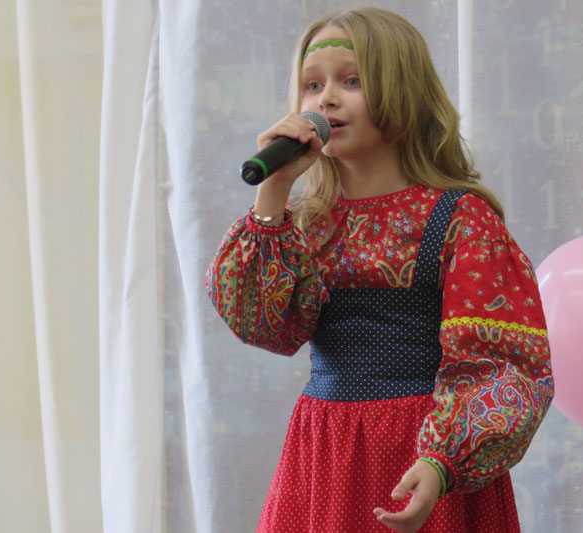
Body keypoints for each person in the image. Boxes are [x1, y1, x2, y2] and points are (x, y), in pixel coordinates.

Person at [206, 7, 554, 533]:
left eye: (351, 81)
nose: (325, 99)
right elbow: (263, 324)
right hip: (324, 453)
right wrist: (273, 190)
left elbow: (505, 364)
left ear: (404, 93)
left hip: (421, 452)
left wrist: (443, 460)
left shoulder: (460, 219)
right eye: (312, 85)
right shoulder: (305, 225)